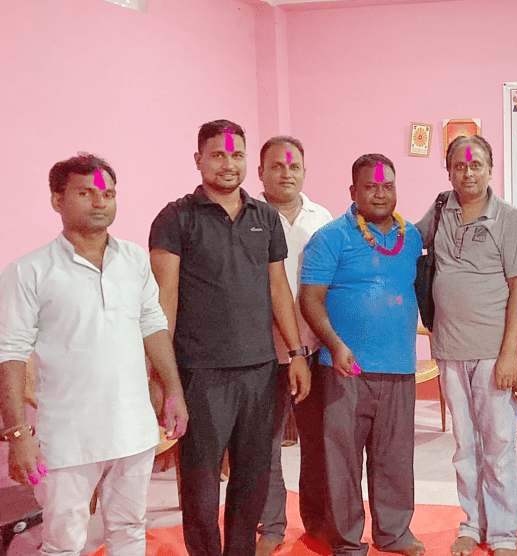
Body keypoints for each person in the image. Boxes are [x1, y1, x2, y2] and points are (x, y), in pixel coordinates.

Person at [0, 154, 188, 556]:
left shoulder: (134, 260)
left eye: (109, 194)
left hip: (133, 429)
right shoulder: (29, 271)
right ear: (57, 200)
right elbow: (10, 353)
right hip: (67, 437)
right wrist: (17, 434)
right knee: (63, 542)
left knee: (129, 529)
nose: (100, 202)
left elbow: (153, 326)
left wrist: (173, 391)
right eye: (86, 193)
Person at [149, 120, 311, 556]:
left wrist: (296, 353)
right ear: (198, 159)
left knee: (252, 479)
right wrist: (162, 376)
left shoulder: (265, 217)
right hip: (199, 373)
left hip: (260, 371)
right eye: (217, 155)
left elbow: (279, 289)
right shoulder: (175, 218)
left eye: (236, 155)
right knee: (201, 484)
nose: (228, 164)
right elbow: (163, 301)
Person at [296, 154, 425, 556]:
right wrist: (335, 345)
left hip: (400, 367)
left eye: (388, 186)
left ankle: (394, 533)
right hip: (345, 368)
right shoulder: (330, 237)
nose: (380, 194)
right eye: (371, 187)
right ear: (353, 191)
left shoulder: (411, 237)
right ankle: (346, 539)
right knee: (342, 461)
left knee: (395, 458)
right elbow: (309, 299)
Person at [416, 135, 517, 556]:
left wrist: (510, 354)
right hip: (448, 350)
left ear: (490, 169)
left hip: (492, 351)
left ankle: (503, 534)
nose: (468, 173)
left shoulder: (509, 218)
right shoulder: (440, 210)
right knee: (465, 446)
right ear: (449, 171)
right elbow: (406, 240)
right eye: (460, 166)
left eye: (476, 164)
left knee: (499, 446)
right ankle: (471, 523)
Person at [255, 136, 333, 556]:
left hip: (313, 350)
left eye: (294, 166)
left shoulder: (323, 219)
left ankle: (318, 522)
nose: (286, 173)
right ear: (261, 171)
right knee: (264, 445)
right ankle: (271, 524)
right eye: (277, 166)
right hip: (261, 354)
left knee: (317, 444)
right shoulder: (247, 218)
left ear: (304, 171)